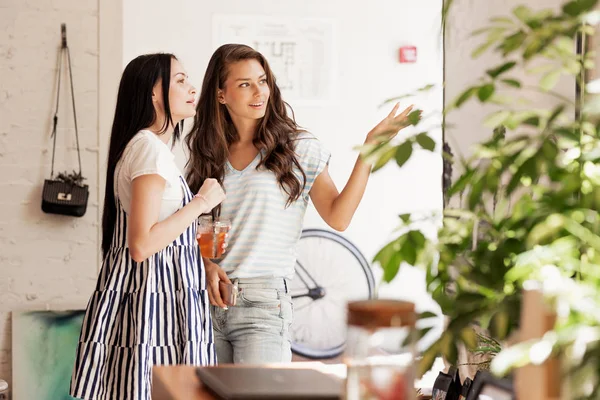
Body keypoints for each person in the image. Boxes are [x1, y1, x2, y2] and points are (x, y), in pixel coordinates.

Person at [185, 43, 415, 364]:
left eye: (263, 81)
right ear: (221, 94)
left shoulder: (297, 148)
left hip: (263, 305)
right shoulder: (207, 152)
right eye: (244, 84)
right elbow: (197, 228)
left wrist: (369, 151)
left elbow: (339, 216)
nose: (259, 92)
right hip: (205, 301)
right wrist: (207, 264)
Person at [70, 53, 225, 400]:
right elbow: (141, 244)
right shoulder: (148, 151)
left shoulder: (151, 149)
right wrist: (201, 203)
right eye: (180, 80)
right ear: (154, 94)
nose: (192, 87)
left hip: (163, 299)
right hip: (155, 303)